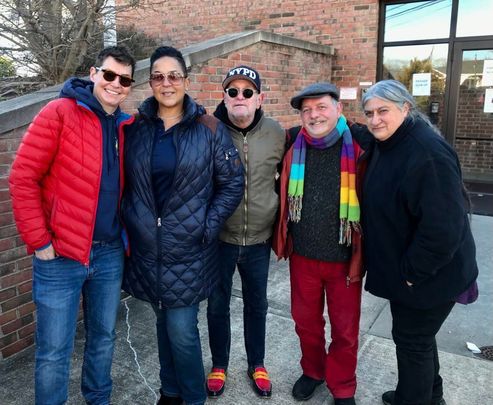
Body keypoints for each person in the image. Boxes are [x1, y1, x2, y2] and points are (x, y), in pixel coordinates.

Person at [9, 46, 136, 404]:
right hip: (60, 255)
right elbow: (22, 178)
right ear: (94, 73)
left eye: (124, 80)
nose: (115, 84)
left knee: (103, 338)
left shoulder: (126, 125)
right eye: (109, 75)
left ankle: (98, 399)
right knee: (53, 351)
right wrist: (40, 242)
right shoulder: (59, 113)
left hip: (109, 253)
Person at [121, 46, 244, 405]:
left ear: (186, 81)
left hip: (190, 249)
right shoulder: (137, 129)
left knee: (182, 331)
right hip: (149, 250)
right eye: (158, 76)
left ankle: (191, 397)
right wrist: (133, 220)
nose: (166, 83)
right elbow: (127, 184)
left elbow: (233, 182)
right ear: (151, 83)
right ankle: (169, 391)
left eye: (174, 75)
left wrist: (208, 225)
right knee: (162, 325)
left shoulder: (209, 129)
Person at [356, 79, 478, 405]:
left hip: (429, 274)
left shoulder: (427, 154)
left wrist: (410, 273)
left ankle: (414, 399)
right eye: (369, 112)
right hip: (414, 274)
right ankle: (430, 396)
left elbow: (444, 229)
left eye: (384, 110)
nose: (375, 119)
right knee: (418, 339)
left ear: (406, 108)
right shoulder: (391, 142)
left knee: (412, 340)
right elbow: (364, 133)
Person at [273, 83, 365, 405]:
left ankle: (342, 386)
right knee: (306, 323)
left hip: (343, 258)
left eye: (321, 107)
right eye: (306, 110)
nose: (314, 115)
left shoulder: (361, 145)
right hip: (303, 256)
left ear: (338, 109)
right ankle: (313, 371)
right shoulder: (290, 144)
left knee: (345, 330)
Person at [205, 65, 285, 398]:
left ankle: (257, 363)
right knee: (216, 304)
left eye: (247, 92)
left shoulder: (277, 133)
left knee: (257, 304)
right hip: (219, 238)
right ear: (224, 96)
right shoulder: (208, 130)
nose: (240, 97)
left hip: (258, 239)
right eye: (233, 91)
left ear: (259, 98)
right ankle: (219, 364)